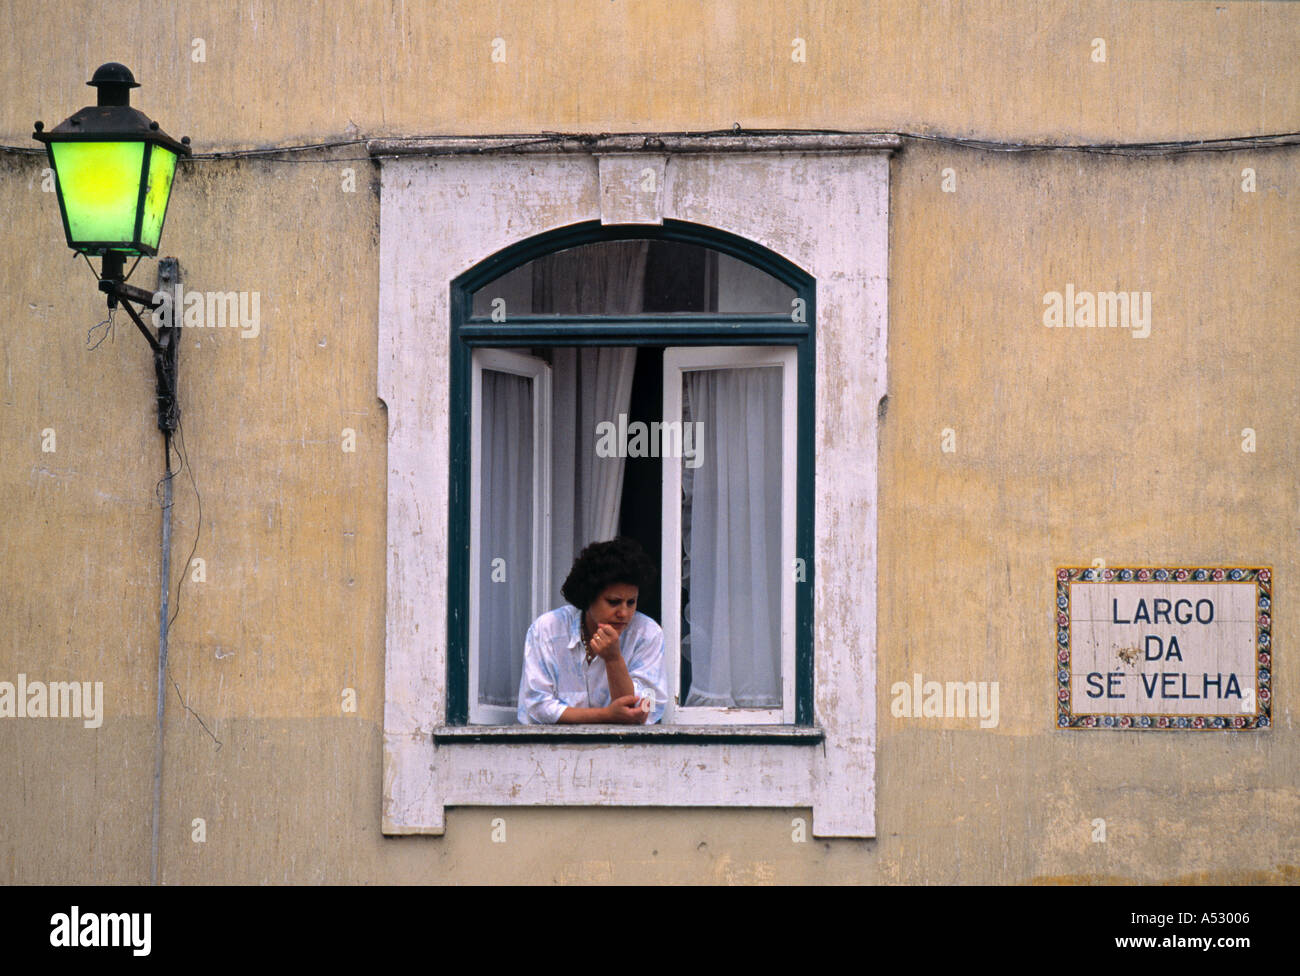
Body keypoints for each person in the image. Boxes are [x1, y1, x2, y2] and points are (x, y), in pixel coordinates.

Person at [516, 537, 667, 725]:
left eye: (631, 602)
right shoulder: (547, 630)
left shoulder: (648, 634)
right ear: (588, 596)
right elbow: (538, 705)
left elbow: (644, 710)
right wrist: (605, 715)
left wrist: (614, 659)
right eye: (613, 602)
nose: (624, 613)